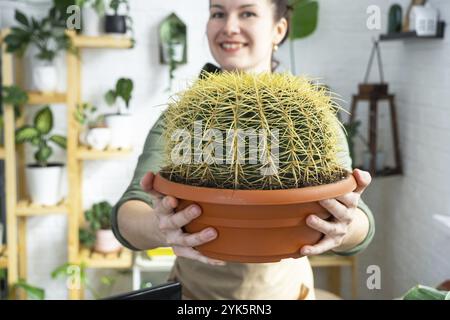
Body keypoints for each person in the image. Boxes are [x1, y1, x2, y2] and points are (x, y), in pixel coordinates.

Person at [111, 0, 375, 300]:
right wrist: (159, 227)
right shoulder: (184, 115)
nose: (229, 27)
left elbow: (359, 222)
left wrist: (345, 225)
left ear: (279, 29)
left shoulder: (309, 115)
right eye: (218, 14)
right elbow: (129, 212)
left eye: (247, 13)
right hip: (194, 297)